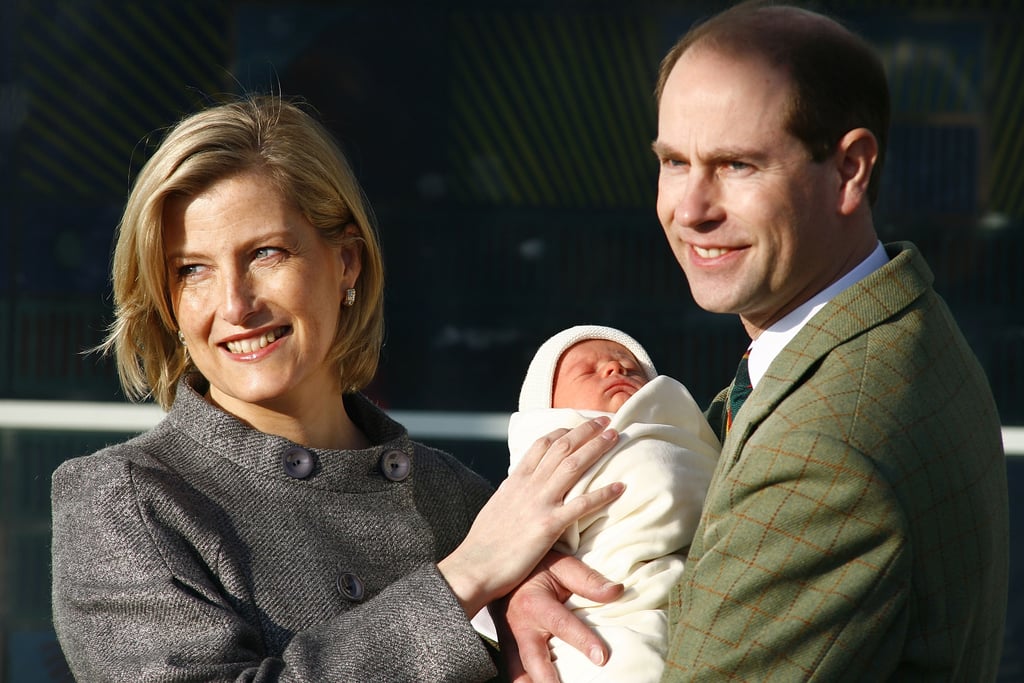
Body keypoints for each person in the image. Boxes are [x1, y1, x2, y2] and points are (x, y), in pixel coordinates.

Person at [502, 2, 1010, 681]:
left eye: (736, 165)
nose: (692, 209)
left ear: (851, 169)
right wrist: (538, 570)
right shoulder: (885, 324)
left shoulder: (827, 447)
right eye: (674, 161)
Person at [49, 95, 626, 682]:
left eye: (266, 253)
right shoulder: (126, 503)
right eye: (191, 270)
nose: (235, 306)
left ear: (346, 262)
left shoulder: (464, 499)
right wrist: (464, 581)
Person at [507, 325, 720, 682]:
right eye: (588, 371)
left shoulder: (689, 440)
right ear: (548, 407)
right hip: (606, 615)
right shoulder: (549, 466)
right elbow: (510, 544)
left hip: (693, 604)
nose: (615, 370)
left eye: (630, 368)